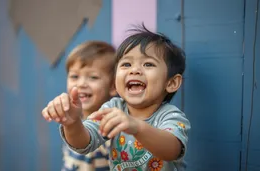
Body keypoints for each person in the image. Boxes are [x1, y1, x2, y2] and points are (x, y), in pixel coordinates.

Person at [42, 25, 191, 171]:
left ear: (171, 83)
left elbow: (172, 150)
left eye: (148, 64)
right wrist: (72, 123)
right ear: (115, 81)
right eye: (126, 64)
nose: (134, 70)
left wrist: (137, 127)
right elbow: (84, 143)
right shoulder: (113, 108)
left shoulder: (170, 116)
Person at [49, 41, 117, 170]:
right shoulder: (72, 119)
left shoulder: (108, 128)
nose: (81, 84)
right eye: (74, 76)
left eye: (93, 77)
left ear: (113, 86)